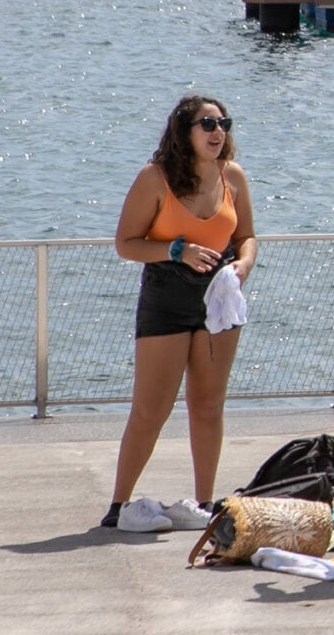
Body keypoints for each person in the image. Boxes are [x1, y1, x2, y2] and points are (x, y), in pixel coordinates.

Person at [102, 96, 257, 532]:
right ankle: (119, 505)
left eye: (223, 122)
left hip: (219, 298)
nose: (217, 131)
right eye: (206, 123)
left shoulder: (234, 178)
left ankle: (203, 502)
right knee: (151, 407)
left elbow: (246, 236)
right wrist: (175, 250)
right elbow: (126, 243)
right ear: (183, 130)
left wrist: (242, 265)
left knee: (208, 405)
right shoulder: (155, 178)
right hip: (166, 294)